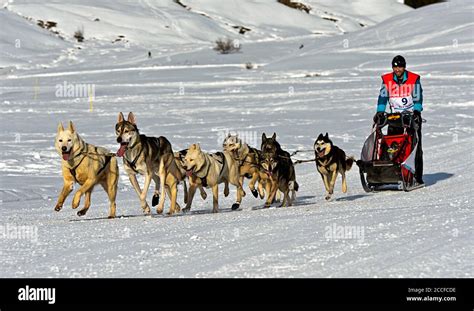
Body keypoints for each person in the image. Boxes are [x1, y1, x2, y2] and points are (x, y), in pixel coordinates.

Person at [374, 55, 424, 185]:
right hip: (395, 117)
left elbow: (418, 97)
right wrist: (380, 112)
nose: (397, 69)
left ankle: (417, 176)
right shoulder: (387, 80)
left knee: (415, 146)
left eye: (400, 67)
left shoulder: (413, 79)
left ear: (404, 67)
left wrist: (417, 111)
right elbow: (383, 97)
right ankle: (392, 173)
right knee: (392, 146)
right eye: (395, 67)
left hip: (412, 117)